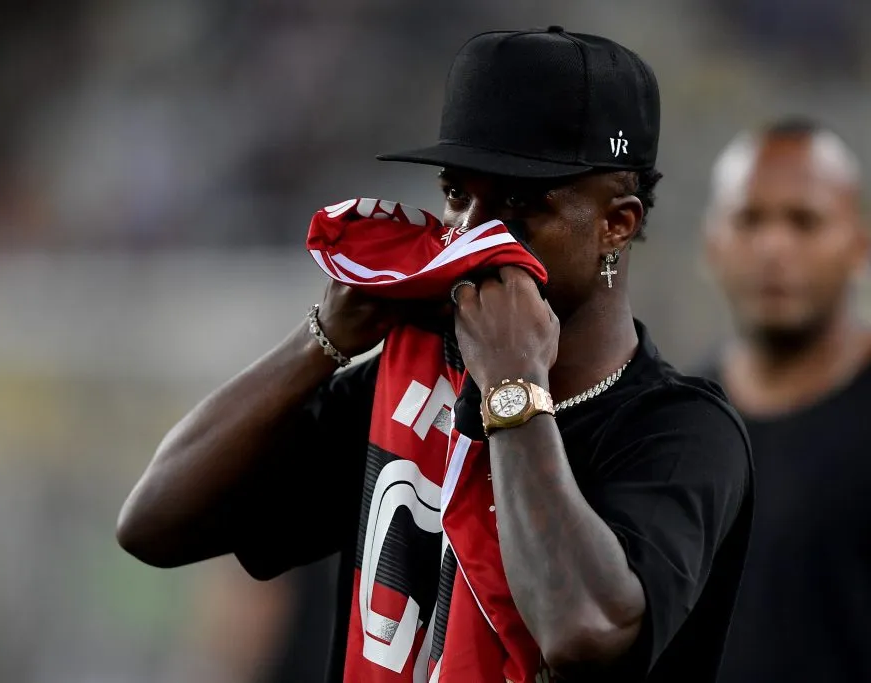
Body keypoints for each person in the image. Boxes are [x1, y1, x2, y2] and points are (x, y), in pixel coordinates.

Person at [117, 28, 753, 683]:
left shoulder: (683, 431)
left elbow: (583, 630)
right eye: (457, 194)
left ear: (615, 224)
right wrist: (321, 339)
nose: (468, 234)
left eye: (518, 204)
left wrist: (512, 382)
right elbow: (155, 524)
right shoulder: (410, 380)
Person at [700, 118, 871, 683]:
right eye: (749, 219)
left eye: (804, 221)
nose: (774, 247)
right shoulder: (680, 424)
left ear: (859, 243)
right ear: (712, 242)